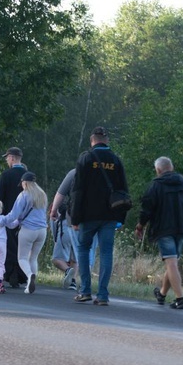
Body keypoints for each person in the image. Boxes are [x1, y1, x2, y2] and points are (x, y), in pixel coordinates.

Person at [70, 126, 129, 306]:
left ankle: (85, 290)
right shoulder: (116, 160)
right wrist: (120, 218)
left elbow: (77, 190)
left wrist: (75, 218)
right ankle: (103, 294)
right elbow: (123, 191)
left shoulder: (85, 159)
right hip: (109, 215)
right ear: (107, 140)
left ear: (92, 140)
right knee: (105, 253)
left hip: (88, 214)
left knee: (83, 249)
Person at [136, 156, 183, 310]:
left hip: (164, 229)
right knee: (173, 263)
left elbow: (147, 208)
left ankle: (180, 299)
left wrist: (140, 225)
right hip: (182, 229)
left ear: (158, 170)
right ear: (171, 167)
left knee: (171, 263)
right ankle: (162, 294)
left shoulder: (156, 185)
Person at [0, 171, 48, 294]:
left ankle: (30, 275)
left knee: (22, 258)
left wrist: (1, 222)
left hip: (28, 230)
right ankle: (30, 284)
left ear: (25, 183)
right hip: (42, 230)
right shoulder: (42, 195)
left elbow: (13, 215)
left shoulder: (24, 195)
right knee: (33, 258)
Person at [0, 146, 27, 288]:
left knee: (10, 246)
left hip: (9, 216)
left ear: (12, 158)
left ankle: (10, 272)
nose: (7, 160)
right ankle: (22, 274)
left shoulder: (6, 175)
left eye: (7, 157)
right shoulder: (28, 175)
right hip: (25, 218)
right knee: (23, 247)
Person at [49, 168, 77, 290]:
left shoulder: (72, 175)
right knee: (75, 258)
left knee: (57, 259)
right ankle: (73, 282)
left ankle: (67, 270)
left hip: (64, 227)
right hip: (79, 227)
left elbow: (54, 228)